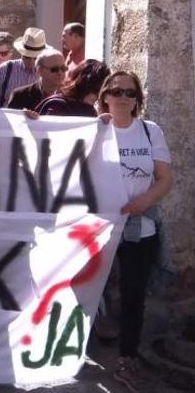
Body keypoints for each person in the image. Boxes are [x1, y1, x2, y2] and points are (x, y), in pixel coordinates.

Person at [95, 71, 172, 392]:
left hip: (140, 228)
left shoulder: (150, 131)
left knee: (133, 294)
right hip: (97, 228)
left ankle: (128, 357)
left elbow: (166, 179)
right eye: (116, 90)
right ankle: (73, 350)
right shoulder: (94, 130)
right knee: (86, 288)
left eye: (130, 91)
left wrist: (143, 201)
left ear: (137, 98)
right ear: (105, 96)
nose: (123, 96)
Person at [0, 27, 48, 107]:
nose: (31, 61)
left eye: (35, 58)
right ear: (21, 53)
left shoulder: (50, 71)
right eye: (27, 57)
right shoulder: (6, 69)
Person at [34, 59, 109, 117]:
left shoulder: (90, 111)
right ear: (84, 84)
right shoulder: (58, 105)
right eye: (96, 90)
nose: (98, 97)